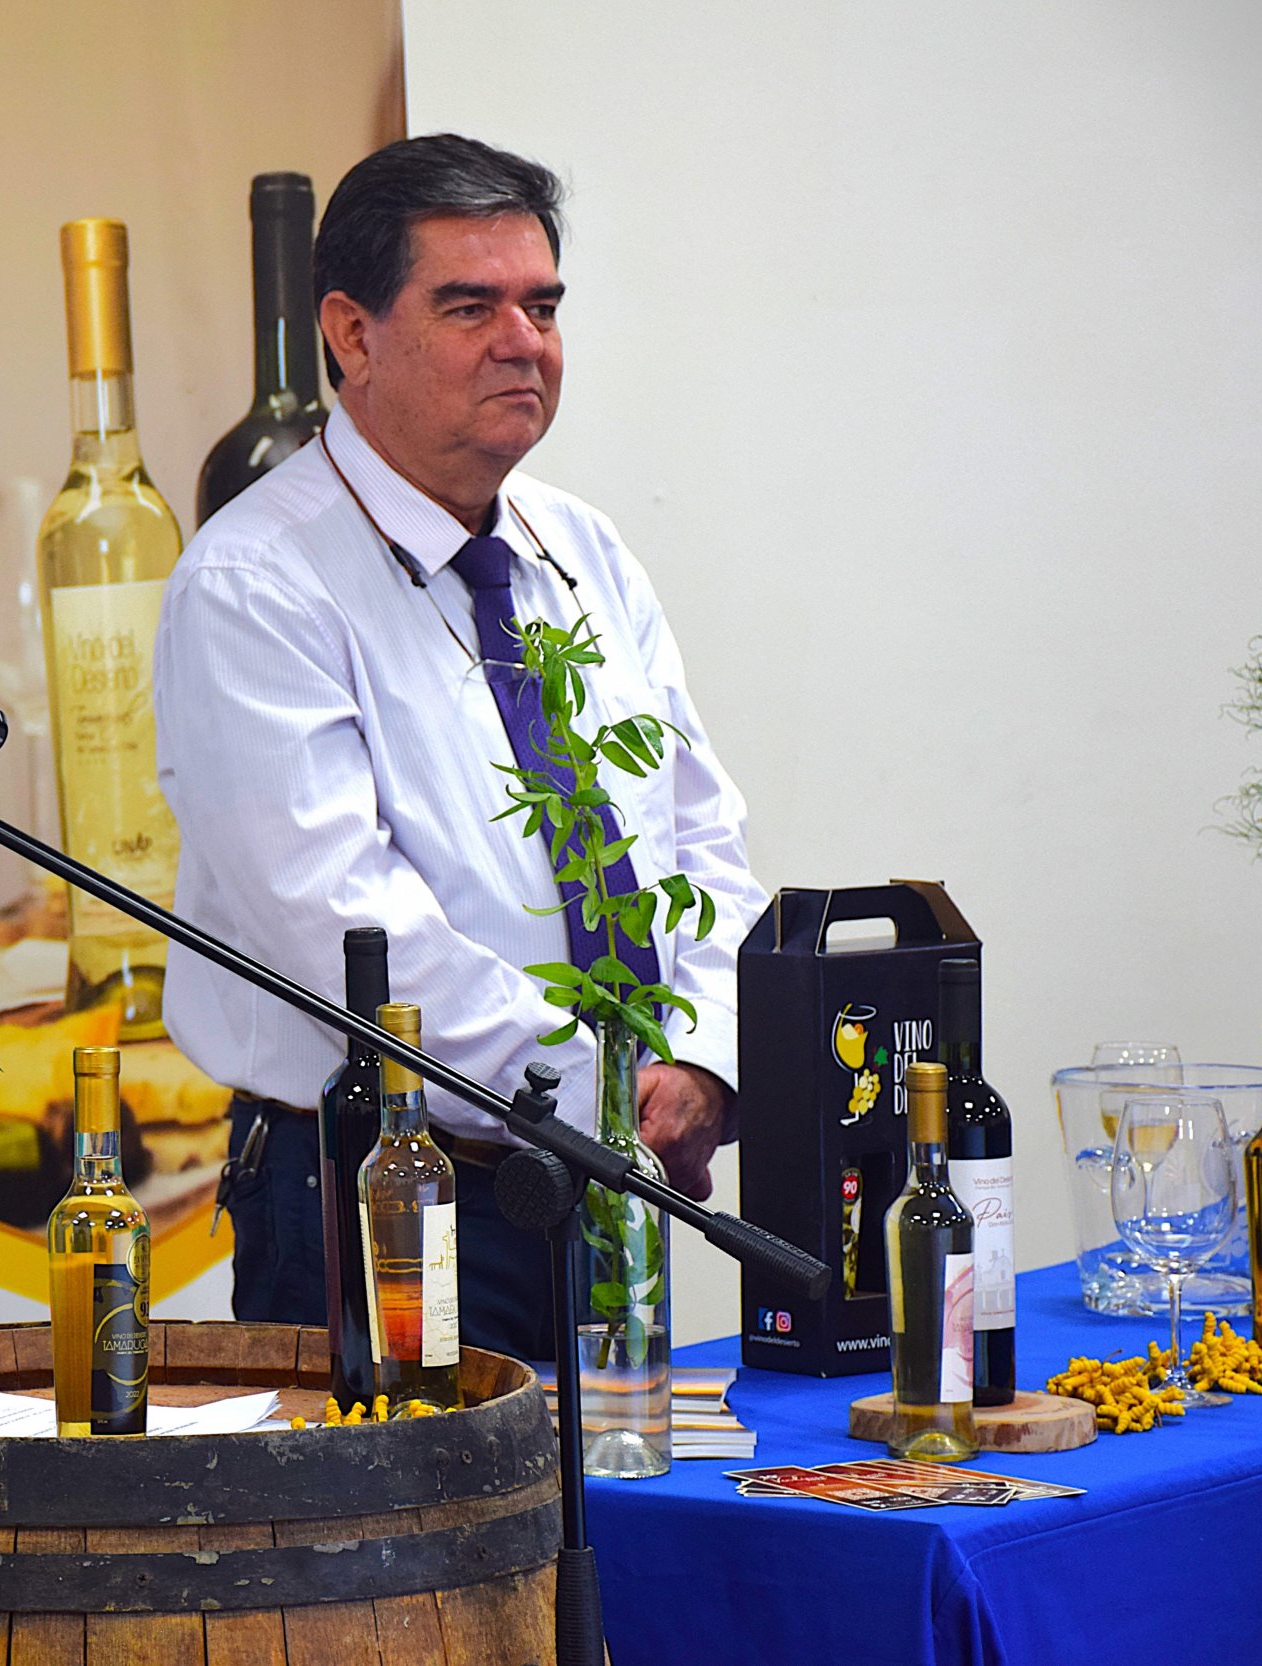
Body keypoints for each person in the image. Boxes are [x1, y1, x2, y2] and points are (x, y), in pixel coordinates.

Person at [153, 135, 767, 1362]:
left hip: (603, 1179)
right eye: (470, 306)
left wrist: (702, 1060)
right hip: (379, 1189)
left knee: (621, 1487)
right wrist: (603, 1091)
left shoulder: (582, 549)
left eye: (542, 306)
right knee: (403, 1500)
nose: (522, 342)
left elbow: (702, 841)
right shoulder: (253, 583)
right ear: (351, 333)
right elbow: (351, 932)